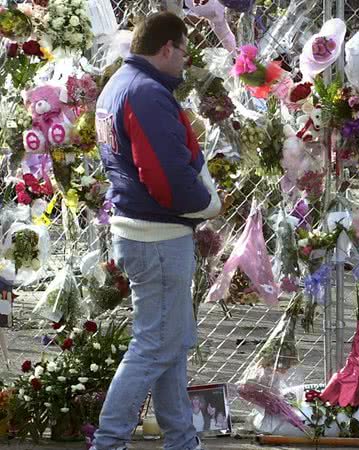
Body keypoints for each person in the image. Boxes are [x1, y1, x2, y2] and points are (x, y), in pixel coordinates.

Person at [90, 12, 224, 450]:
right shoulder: (147, 93)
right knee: (152, 347)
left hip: (140, 230)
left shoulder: (119, 84)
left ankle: (182, 440)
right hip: (157, 235)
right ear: (166, 48)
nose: (186, 61)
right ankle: (108, 442)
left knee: (170, 344)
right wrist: (204, 204)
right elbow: (165, 177)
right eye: (184, 51)